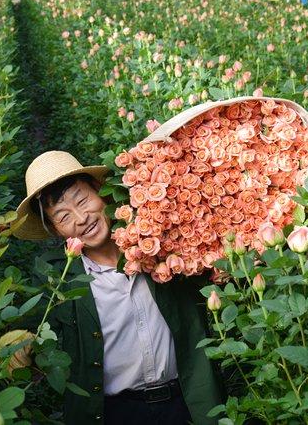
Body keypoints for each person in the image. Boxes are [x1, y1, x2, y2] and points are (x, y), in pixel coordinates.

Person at [11, 151, 225, 425]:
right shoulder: (60, 285)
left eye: (82, 200)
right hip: (117, 412)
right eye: (64, 217)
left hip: (185, 402)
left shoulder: (158, 246)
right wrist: (21, 344)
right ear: (56, 232)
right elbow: (37, 334)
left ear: (102, 193)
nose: (81, 218)